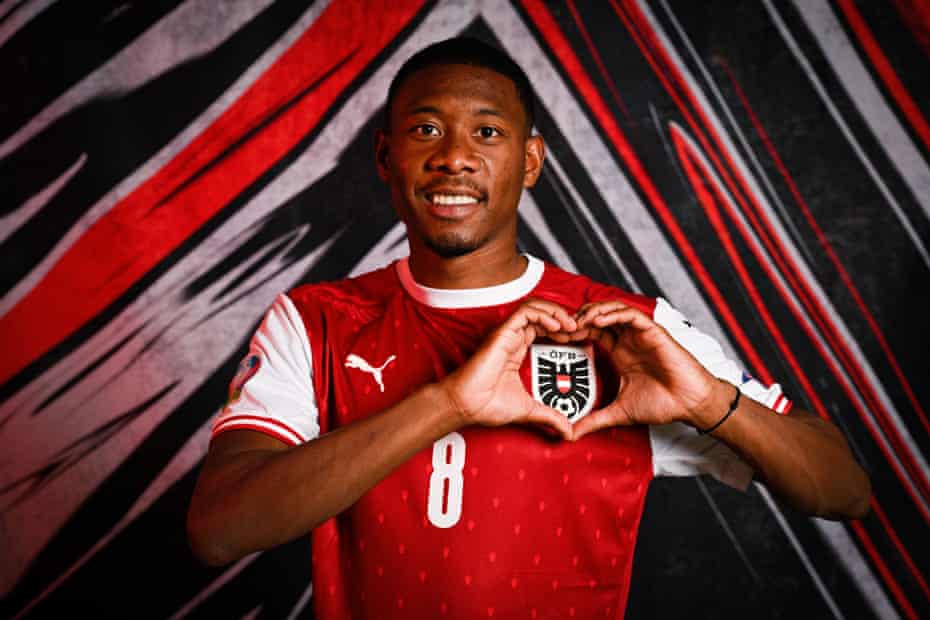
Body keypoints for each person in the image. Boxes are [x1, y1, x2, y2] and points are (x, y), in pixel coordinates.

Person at [187, 37, 870, 618]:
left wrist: (708, 405)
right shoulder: (314, 322)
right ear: (384, 158)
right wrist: (448, 403)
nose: (454, 157)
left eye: (487, 132)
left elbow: (843, 489)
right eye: (427, 129)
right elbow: (220, 530)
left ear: (532, 161)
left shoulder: (625, 331)